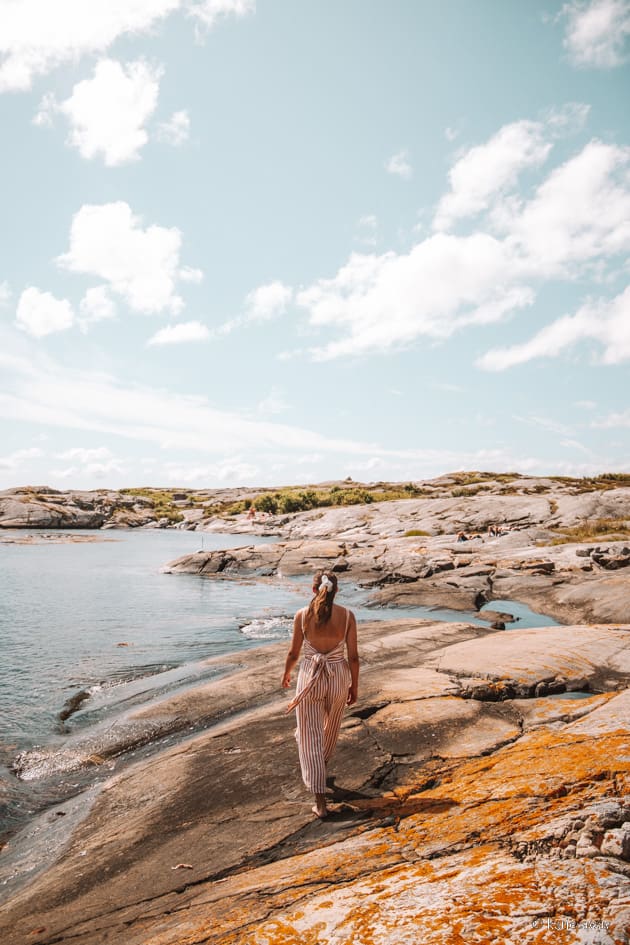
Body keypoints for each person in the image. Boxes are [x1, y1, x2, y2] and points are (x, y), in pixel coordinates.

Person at [281, 571, 359, 818]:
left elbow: (294, 653)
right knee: (330, 728)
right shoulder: (347, 616)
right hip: (338, 676)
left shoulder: (302, 616)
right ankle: (320, 767)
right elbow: (354, 657)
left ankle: (320, 802)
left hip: (310, 676)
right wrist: (354, 686)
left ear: (313, 590)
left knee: (309, 734)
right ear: (336, 591)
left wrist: (286, 674)